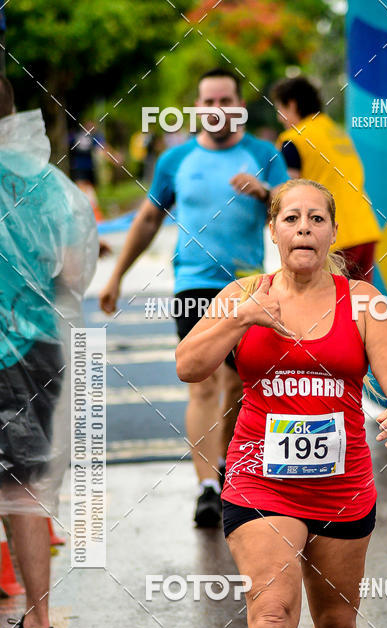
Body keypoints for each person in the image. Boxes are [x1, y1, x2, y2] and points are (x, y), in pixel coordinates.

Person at [176, 178, 387, 628]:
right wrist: (239, 318)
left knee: (336, 622)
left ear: (332, 233)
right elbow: (189, 367)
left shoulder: (364, 302)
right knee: (272, 614)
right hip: (260, 478)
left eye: (317, 218)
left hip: (341, 485)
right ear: (275, 231)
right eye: (292, 217)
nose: (304, 227)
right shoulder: (243, 294)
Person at [99, 69, 288, 528]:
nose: (217, 109)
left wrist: (264, 192)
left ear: (239, 106)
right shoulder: (176, 160)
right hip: (193, 284)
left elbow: (292, 208)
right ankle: (207, 488)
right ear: (197, 109)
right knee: (202, 382)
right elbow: (146, 219)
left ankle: (227, 466)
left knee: (237, 385)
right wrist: (116, 277)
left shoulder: (263, 155)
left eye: (226, 100)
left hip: (246, 284)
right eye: (208, 102)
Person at [0, 77, 98, 628]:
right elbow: (73, 269)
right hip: (40, 345)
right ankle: (38, 626)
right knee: (24, 487)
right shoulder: (49, 184)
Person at [271, 76, 381, 282]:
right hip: (365, 231)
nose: (280, 118)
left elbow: (286, 194)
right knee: (358, 307)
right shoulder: (337, 133)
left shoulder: (294, 140)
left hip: (332, 238)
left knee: (324, 308)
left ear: (292, 105)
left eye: (280, 110)